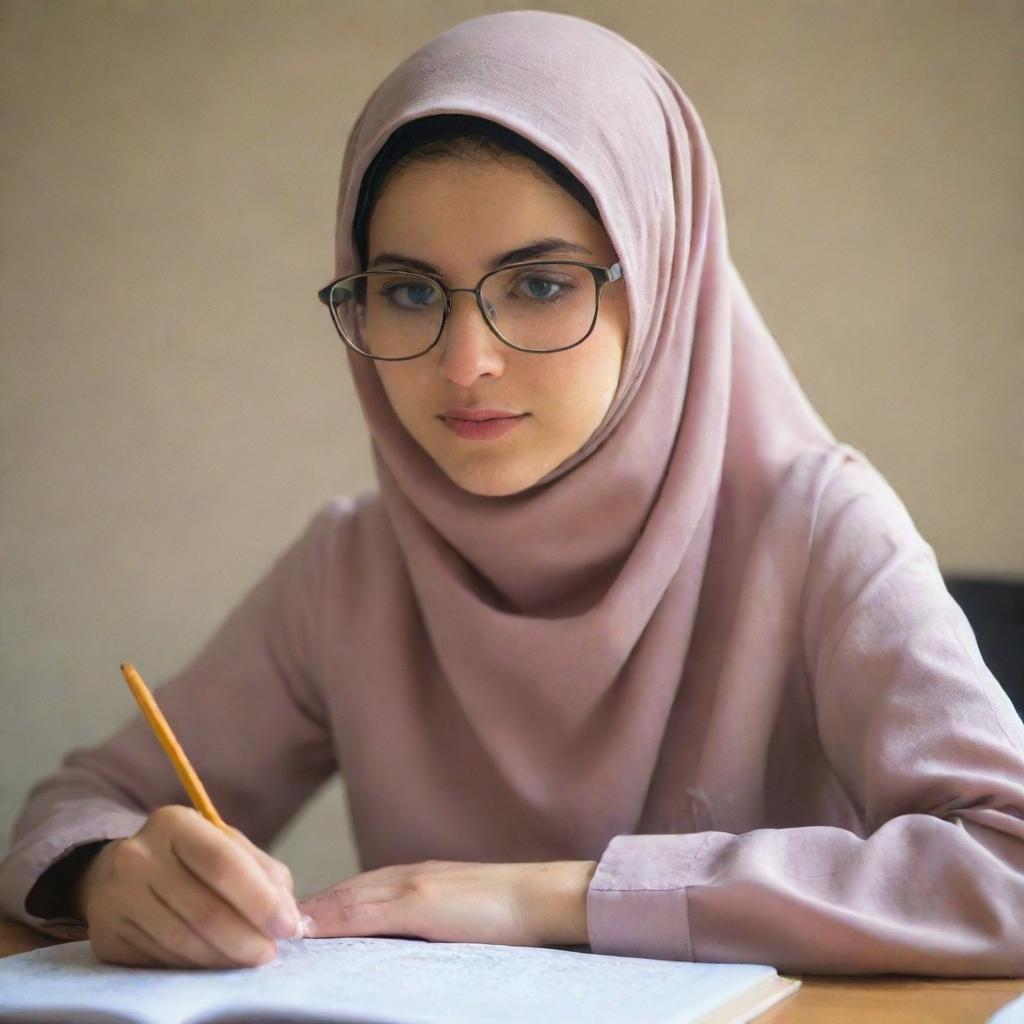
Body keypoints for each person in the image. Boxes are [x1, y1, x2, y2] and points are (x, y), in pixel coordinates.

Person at [2, 9, 1022, 975]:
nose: (463, 361)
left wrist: (552, 898)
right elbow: (86, 799)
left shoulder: (813, 527)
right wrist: (107, 870)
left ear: (663, 279)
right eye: (407, 291)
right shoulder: (356, 566)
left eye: (538, 283)